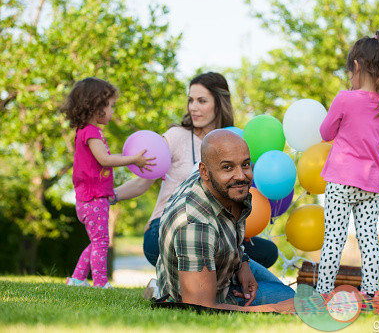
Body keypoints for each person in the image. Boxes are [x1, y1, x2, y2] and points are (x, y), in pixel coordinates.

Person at [113, 72, 278, 268]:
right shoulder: (176, 136)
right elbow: (142, 181)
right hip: (168, 225)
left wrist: (240, 230)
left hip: (215, 229)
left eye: (201, 101)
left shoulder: (233, 142)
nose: (193, 107)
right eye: (191, 100)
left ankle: (210, 281)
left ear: (219, 103)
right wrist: (108, 196)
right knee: (207, 247)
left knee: (267, 252)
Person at [156, 130, 295, 311]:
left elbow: (232, 229)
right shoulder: (195, 224)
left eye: (245, 164)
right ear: (204, 171)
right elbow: (200, 310)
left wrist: (242, 261)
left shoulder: (224, 186)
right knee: (291, 300)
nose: (240, 176)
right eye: (227, 167)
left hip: (227, 261)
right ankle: (163, 292)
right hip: (203, 294)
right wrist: (277, 309)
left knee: (290, 296)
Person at [315, 30, 379, 296]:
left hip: (341, 180)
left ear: (358, 66)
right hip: (372, 184)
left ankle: (323, 292)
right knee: (369, 239)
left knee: (334, 240)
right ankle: (371, 293)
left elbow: (326, 133)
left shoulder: (344, 99)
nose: (349, 77)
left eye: (350, 70)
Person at [61, 77, 155, 288]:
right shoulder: (91, 132)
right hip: (93, 199)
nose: (113, 111)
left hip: (91, 197)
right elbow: (104, 160)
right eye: (111, 106)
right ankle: (101, 283)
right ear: (96, 106)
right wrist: (133, 159)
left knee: (96, 242)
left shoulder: (85, 130)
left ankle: (77, 279)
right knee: (102, 242)